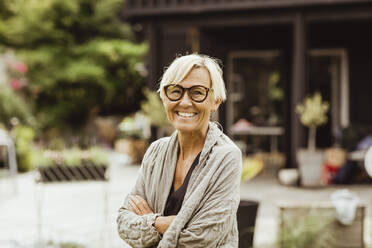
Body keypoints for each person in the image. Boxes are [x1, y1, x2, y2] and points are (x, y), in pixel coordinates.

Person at [117, 54, 242, 247]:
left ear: (215, 101)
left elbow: (203, 238)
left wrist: (149, 221)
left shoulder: (226, 156)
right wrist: (161, 223)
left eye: (197, 92)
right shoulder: (156, 152)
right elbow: (124, 222)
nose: (184, 102)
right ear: (164, 97)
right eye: (175, 91)